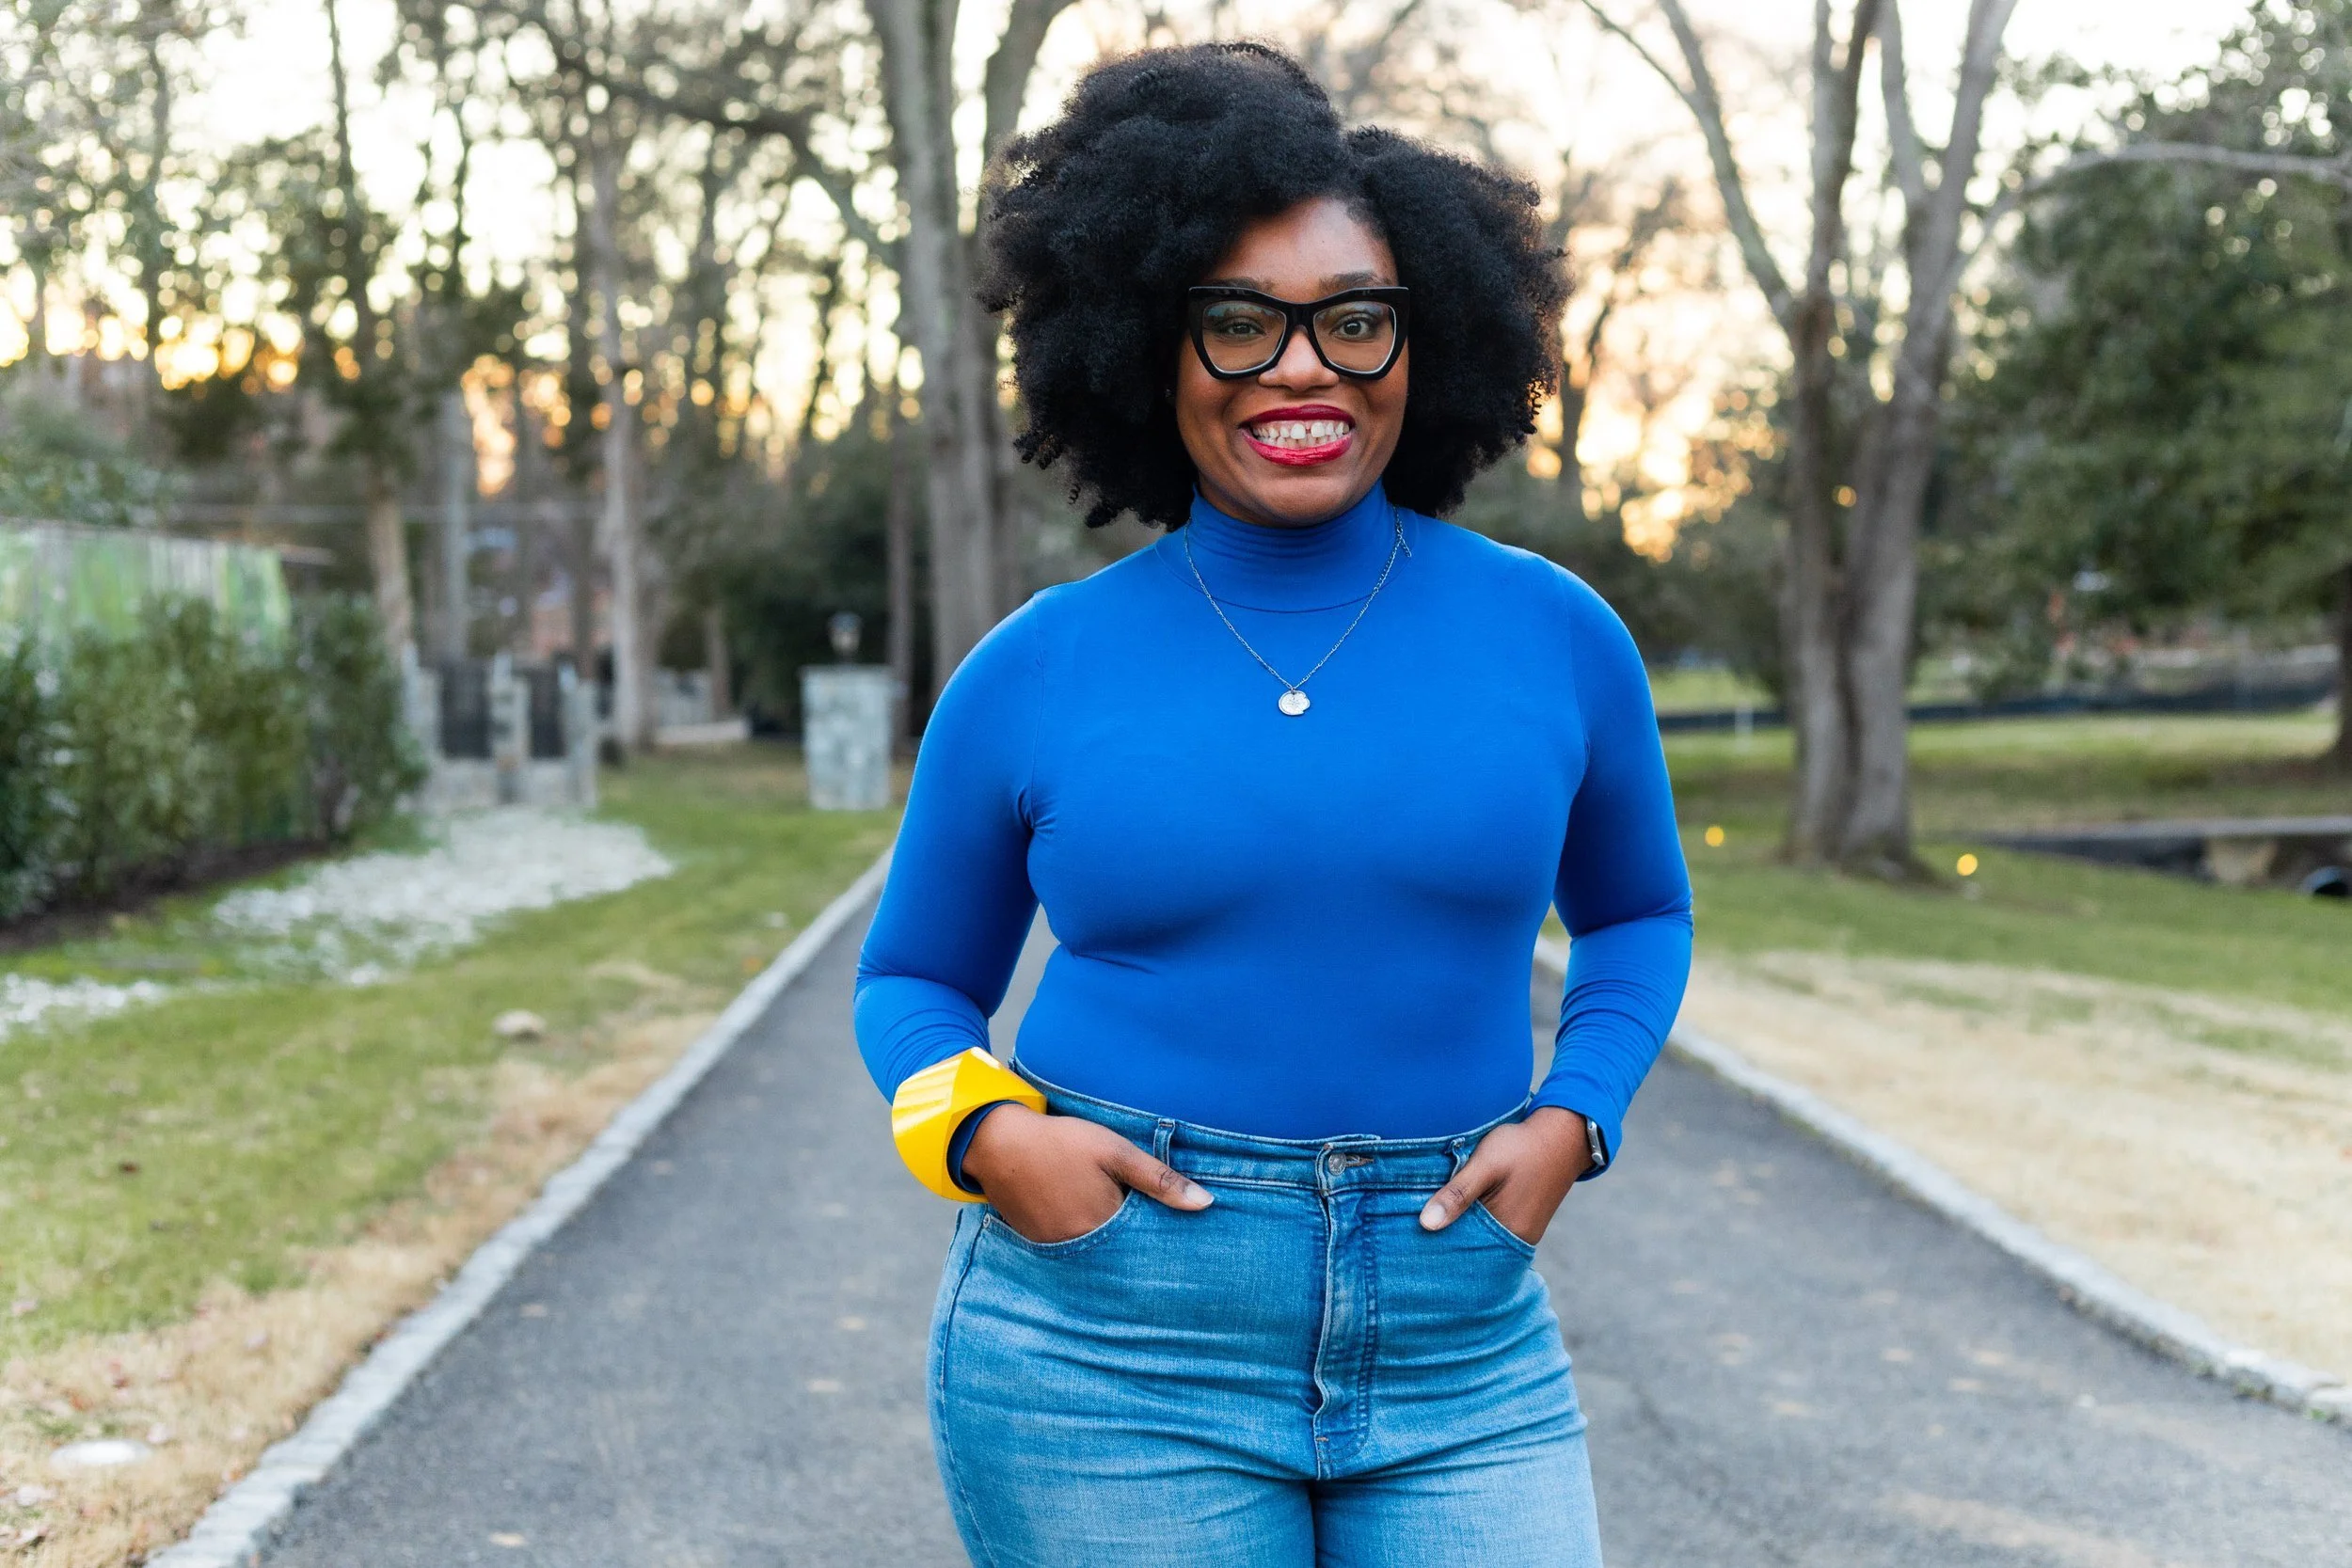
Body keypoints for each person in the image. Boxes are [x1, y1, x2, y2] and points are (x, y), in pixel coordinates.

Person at [853, 40, 1692, 1568]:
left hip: (1459, 1344)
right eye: (1239, 322)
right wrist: (985, 1140)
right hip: (1109, 1348)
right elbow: (909, 980)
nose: (1303, 369)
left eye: (1354, 321)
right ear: (1147, 349)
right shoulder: (1034, 668)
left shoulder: (1557, 635)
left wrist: (1582, 1113)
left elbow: (1638, 912)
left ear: (1425, 342)